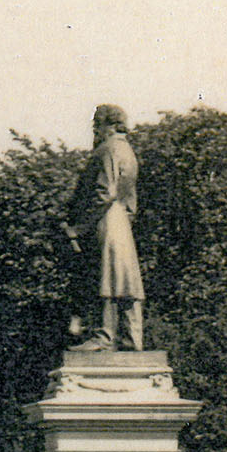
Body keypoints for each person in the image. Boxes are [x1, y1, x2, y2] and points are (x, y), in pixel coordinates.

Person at [63, 104, 145, 351]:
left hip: (106, 221)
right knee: (125, 281)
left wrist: (79, 228)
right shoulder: (127, 150)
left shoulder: (107, 149)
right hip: (121, 221)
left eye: (96, 125)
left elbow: (104, 192)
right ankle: (133, 339)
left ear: (107, 126)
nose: (94, 130)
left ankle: (104, 337)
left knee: (107, 278)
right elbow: (130, 200)